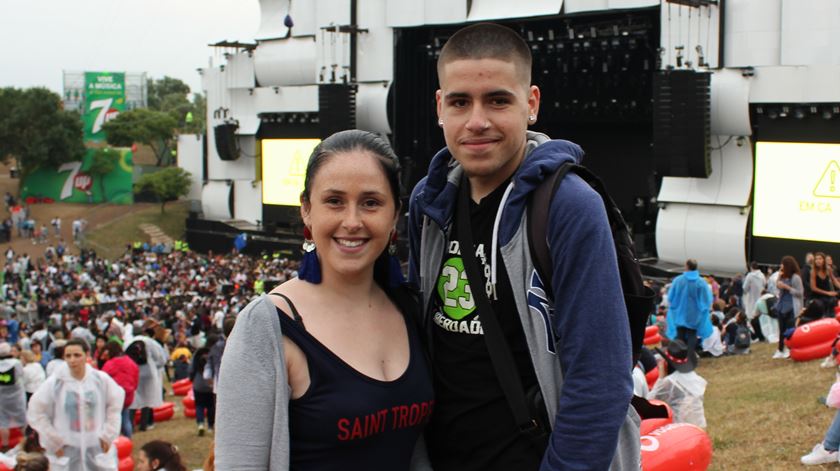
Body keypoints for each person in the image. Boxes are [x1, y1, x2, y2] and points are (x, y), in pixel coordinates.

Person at [407, 23, 637, 470]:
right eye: (459, 102)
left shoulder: (569, 206)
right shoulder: (428, 202)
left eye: (497, 100)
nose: (477, 121)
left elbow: (600, 379)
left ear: (530, 104)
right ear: (440, 107)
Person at [216, 130, 434, 469]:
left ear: (394, 215)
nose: (352, 221)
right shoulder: (266, 327)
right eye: (334, 201)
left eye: (371, 202)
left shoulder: (407, 308)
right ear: (306, 209)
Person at [26, 338, 124, 470]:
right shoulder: (56, 383)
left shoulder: (100, 380)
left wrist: (108, 434)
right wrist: (53, 441)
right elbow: (36, 410)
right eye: (68, 356)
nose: (72, 360)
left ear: (87, 355)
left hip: (96, 446)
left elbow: (115, 405)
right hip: (67, 447)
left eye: (77, 355)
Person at [649, 340, 707, 428]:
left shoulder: (670, 382)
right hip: (699, 427)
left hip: (679, 428)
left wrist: (661, 377)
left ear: (666, 362)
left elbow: (650, 402)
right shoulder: (694, 378)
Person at [665, 259, 714, 355]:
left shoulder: (678, 280)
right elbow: (707, 299)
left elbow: (671, 297)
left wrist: (675, 306)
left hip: (679, 312)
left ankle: (679, 354)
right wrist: (702, 308)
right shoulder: (701, 282)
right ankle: (690, 355)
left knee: (680, 333)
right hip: (695, 314)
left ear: (687, 266)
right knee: (692, 334)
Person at [101, 340, 139, 438]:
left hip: (114, 395)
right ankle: (128, 438)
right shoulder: (129, 361)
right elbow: (136, 376)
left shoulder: (110, 364)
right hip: (128, 394)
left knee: (114, 419)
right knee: (125, 418)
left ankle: (117, 440)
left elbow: (102, 379)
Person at [772, 256, 804, 359]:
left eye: (783, 264)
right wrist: (779, 278)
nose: (781, 266)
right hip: (781, 306)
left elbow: (800, 293)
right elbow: (777, 285)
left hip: (792, 306)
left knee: (790, 329)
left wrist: (787, 287)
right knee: (781, 329)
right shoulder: (782, 276)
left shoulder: (795, 277)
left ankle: (790, 349)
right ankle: (780, 349)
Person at [0, 342, 26, 450]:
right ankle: (27, 442)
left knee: (2, 422)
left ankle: (5, 446)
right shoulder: (16, 362)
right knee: (22, 420)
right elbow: (21, 374)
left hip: (2, 397)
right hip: (17, 396)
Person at [189, 347, 214, 436]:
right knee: (211, 406)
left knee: (199, 405)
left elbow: (191, 369)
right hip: (210, 384)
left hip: (198, 384)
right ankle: (210, 426)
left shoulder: (196, 355)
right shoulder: (213, 354)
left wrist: (191, 378)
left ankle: (200, 424)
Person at [810, 252, 840, 317]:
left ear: (824, 260)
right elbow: (813, 288)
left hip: (828, 296)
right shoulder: (813, 271)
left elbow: (834, 280)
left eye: (820, 259)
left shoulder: (828, 269)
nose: (818, 261)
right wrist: (827, 293)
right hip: (818, 297)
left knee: (834, 303)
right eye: (816, 259)